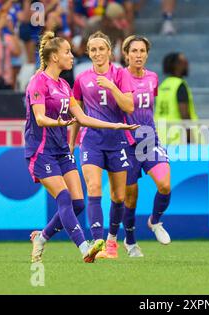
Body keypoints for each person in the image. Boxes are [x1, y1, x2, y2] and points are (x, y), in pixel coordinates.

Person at [26, 31, 139, 263]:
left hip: (61, 150)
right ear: (55, 57)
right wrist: (58, 122)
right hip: (41, 151)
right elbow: (39, 118)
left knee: (78, 203)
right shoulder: (38, 81)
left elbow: (83, 118)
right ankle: (85, 247)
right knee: (65, 199)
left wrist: (116, 126)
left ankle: (42, 237)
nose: (72, 56)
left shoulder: (65, 85)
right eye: (67, 52)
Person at [68, 31, 135, 260]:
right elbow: (77, 114)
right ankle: (96, 241)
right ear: (88, 52)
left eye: (101, 49)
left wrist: (111, 86)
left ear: (109, 51)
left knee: (118, 197)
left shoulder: (120, 74)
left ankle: (112, 241)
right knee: (94, 188)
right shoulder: (81, 79)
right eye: (93, 49)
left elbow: (129, 107)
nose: (97, 53)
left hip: (117, 142)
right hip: (91, 141)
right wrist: (71, 144)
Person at [120, 35, 172, 257]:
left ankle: (155, 221)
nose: (138, 55)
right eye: (134, 51)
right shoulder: (119, 77)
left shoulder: (153, 77)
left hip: (149, 140)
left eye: (142, 51)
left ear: (147, 54)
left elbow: (150, 107)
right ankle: (130, 241)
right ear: (126, 54)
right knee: (130, 197)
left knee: (165, 184)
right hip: (125, 143)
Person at [154, 52, 198, 144]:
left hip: (161, 138)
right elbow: (184, 115)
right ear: (176, 65)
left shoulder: (162, 86)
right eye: (183, 61)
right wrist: (191, 140)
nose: (187, 63)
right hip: (178, 140)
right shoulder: (179, 85)